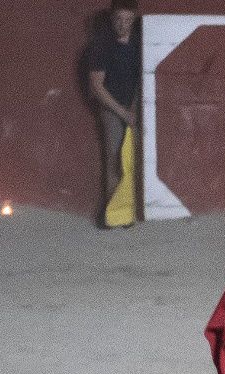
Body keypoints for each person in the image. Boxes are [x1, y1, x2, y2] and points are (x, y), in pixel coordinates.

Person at [84, 2, 140, 226]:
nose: (123, 25)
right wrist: (122, 112)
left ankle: (127, 212)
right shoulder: (101, 45)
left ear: (133, 19)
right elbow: (97, 87)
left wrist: (134, 108)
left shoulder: (138, 41)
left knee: (132, 159)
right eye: (119, 20)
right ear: (111, 19)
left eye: (127, 20)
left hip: (134, 105)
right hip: (111, 108)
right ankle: (113, 214)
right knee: (115, 157)